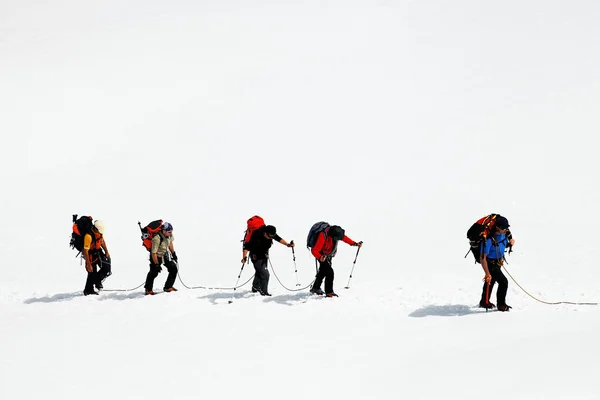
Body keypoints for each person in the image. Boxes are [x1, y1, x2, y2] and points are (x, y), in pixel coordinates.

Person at [310, 225, 362, 298]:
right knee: (329, 272)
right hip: (321, 255)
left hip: (328, 254)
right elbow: (314, 250)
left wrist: (354, 243)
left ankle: (315, 288)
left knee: (323, 271)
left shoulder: (335, 232)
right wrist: (320, 257)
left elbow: (344, 238)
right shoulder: (323, 235)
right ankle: (329, 292)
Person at [241, 225, 294, 296]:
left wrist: (287, 244)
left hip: (264, 255)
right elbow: (247, 247)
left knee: (260, 272)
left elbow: (278, 238)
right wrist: (244, 257)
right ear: (265, 233)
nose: (271, 238)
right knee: (265, 274)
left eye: (272, 236)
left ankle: (255, 287)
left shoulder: (270, 233)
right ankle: (264, 292)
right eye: (270, 236)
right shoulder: (256, 236)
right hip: (256, 256)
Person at [479, 216, 515, 311]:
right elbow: (483, 258)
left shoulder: (504, 233)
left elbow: (503, 244)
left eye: (506, 228)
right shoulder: (488, 239)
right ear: (497, 227)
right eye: (503, 228)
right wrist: (487, 273)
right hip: (490, 263)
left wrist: (510, 242)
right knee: (503, 282)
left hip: (498, 261)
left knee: (491, 281)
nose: (506, 230)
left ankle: (484, 301)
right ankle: (501, 305)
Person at [144, 222, 178, 295]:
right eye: (169, 232)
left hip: (165, 255)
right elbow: (153, 253)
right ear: (164, 231)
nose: (171, 233)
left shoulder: (169, 234)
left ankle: (168, 287)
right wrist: (156, 264)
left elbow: (170, 243)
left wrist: (173, 253)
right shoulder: (156, 238)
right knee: (154, 272)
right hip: (156, 256)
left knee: (173, 268)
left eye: (171, 232)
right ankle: (148, 289)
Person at [82, 220, 111, 296]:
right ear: (96, 229)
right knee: (91, 272)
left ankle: (97, 281)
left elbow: (102, 242)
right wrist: (88, 264)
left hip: (98, 252)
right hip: (90, 255)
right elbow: (85, 251)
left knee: (106, 268)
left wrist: (106, 251)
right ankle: (88, 290)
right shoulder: (88, 236)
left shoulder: (99, 233)